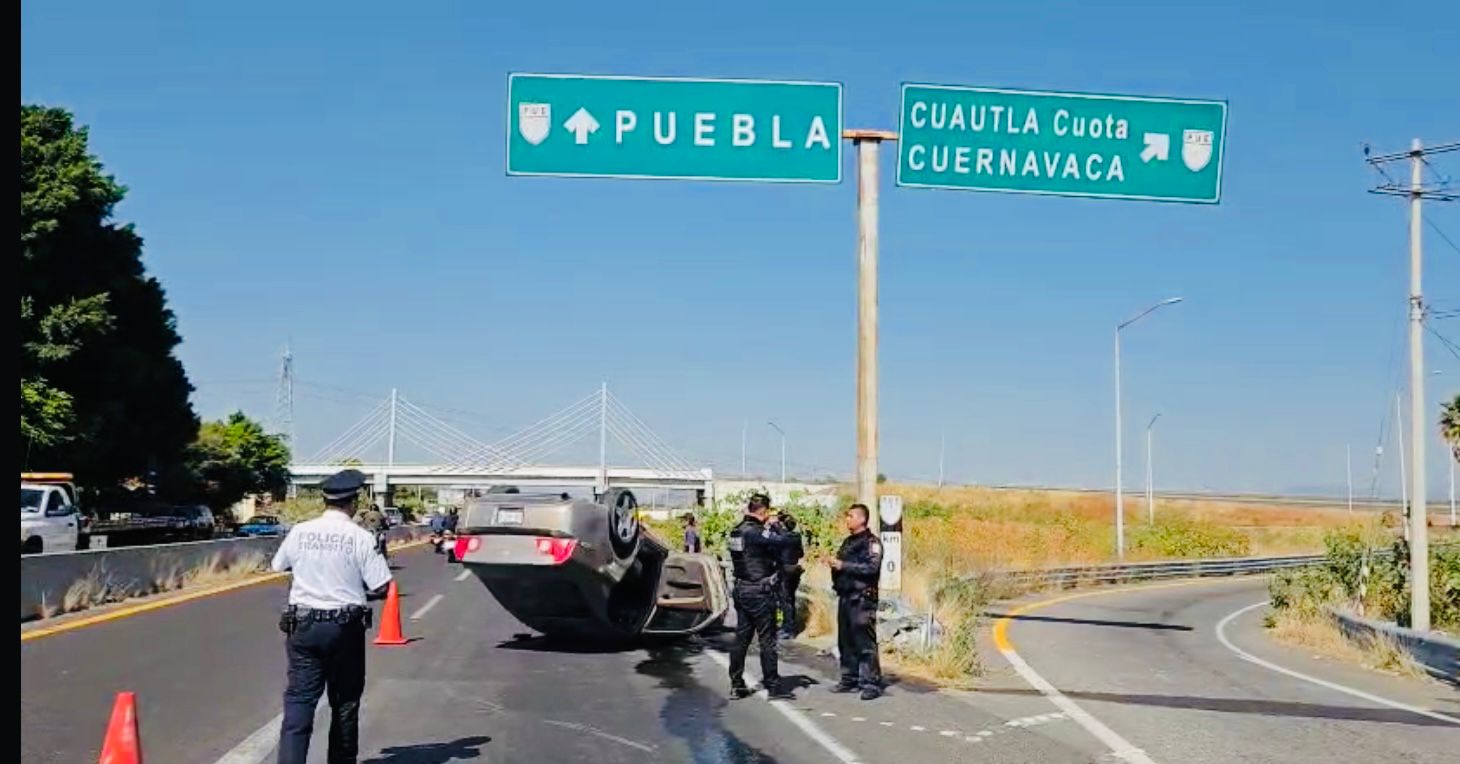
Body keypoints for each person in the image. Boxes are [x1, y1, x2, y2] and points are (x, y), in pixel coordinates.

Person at [271, 469, 392, 764]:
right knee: (344, 702)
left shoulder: (300, 531)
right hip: (344, 628)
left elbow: (278, 565)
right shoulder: (360, 537)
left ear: (324, 500)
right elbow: (382, 585)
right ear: (354, 502)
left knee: (300, 700)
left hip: (302, 625)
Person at [727, 492, 796, 700]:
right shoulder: (755, 532)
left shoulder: (736, 531)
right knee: (767, 639)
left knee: (742, 638)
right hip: (759, 591)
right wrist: (776, 525)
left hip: (741, 589)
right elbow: (785, 541)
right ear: (763, 511)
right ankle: (772, 686)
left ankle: (736, 684)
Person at [830, 502, 883, 700]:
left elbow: (871, 568)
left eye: (850, 516)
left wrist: (843, 565)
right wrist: (834, 566)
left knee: (864, 642)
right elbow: (842, 565)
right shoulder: (848, 542)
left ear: (862, 519)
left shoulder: (872, 543)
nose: (847, 519)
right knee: (845, 641)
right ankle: (849, 678)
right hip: (845, 596)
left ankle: (870, 683)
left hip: (862, 599)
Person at [769, 512, 805, 639]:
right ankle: (789, 626)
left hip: (784, 571)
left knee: (785, 600)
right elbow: (801, 554)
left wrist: (774, 525)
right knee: (790, 599)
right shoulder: (796, 536)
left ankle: (788, 629)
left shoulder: (781, 536)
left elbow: (772, 549)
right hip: (794, 570)